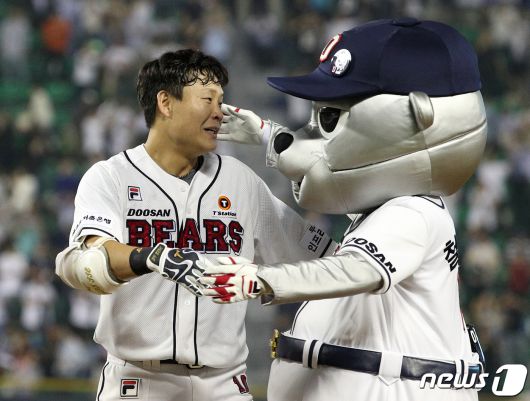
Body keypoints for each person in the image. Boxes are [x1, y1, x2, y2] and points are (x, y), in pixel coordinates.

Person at [199, 18, 488, 401]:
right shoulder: (384, 211)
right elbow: (333, 243)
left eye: (330, 118)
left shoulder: (412, 211)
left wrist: (261, 279)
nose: (313, 131)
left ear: (418, 117)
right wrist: (266, 139)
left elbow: (353, 270)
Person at [54, 49, 334, 401]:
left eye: (221, 100)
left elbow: (327, 260)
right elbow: (89, 261)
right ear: (165, 103)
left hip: (224, 384)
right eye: (207, 99)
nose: (220, 112)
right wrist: (152, 257)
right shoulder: (111, 177)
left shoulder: (241, 182)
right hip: (138, 380)